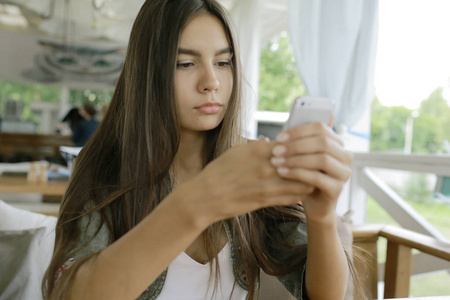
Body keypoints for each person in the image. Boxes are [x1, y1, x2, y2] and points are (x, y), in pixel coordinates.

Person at [43, 0, 360, 299]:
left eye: (223, 62)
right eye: (185, 63)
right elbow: (70, 293)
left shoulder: (252, 165)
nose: (212, 81)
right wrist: (199, 201)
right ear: (147, 72)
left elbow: (325, 295)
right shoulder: (106, 167)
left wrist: (322, 218)